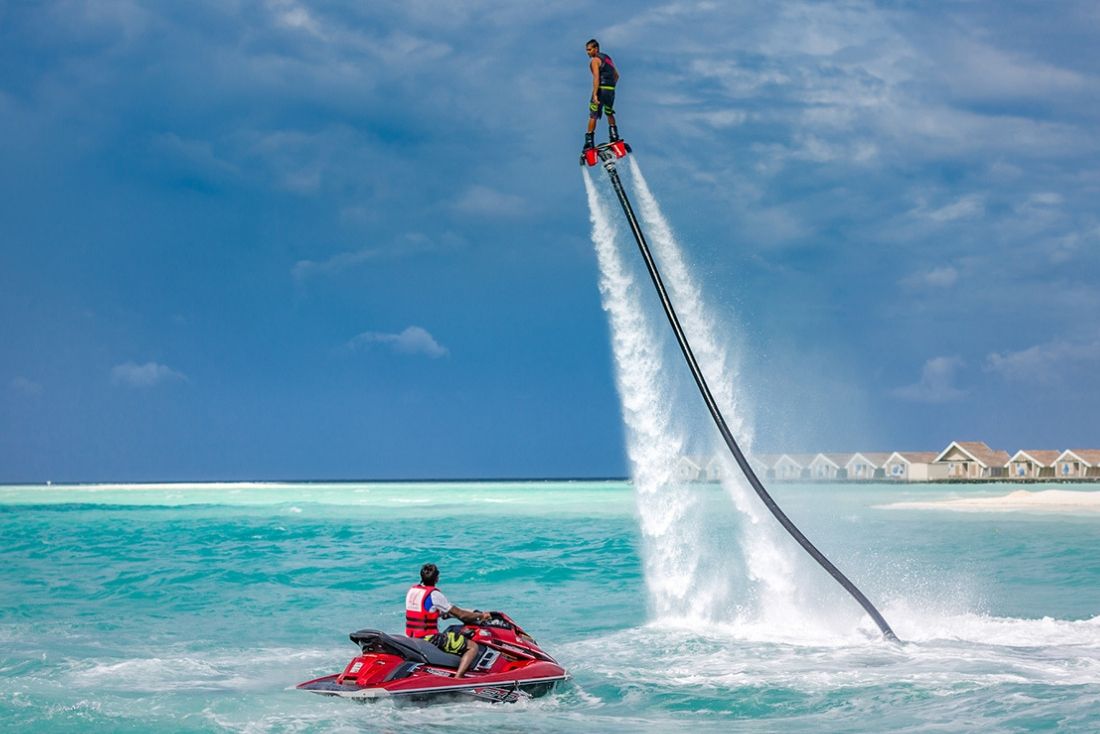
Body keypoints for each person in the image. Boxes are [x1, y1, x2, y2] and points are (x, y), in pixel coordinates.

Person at [405, 563, 491, 678]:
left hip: (413, 638)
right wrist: (481, 616)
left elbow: (424, 612)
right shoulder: (434, 594)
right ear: (437, 578)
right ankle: (458, 679)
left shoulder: (413, 591)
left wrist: (444, 614)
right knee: (472, 647)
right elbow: (462, 615)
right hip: (429, 638)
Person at [583, 38, 621, 153]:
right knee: (609, 112)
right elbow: (617, 75)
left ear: (596, 48)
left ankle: (589, 143)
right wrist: (611, 87)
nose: (588, 52)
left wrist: (595, 94)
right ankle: (614, 137)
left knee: (593, 115)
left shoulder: (595, 60)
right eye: (586, 50)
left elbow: (596, 78)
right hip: (610, 90)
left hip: (600, 90)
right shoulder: (607, 58)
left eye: (589, 50)